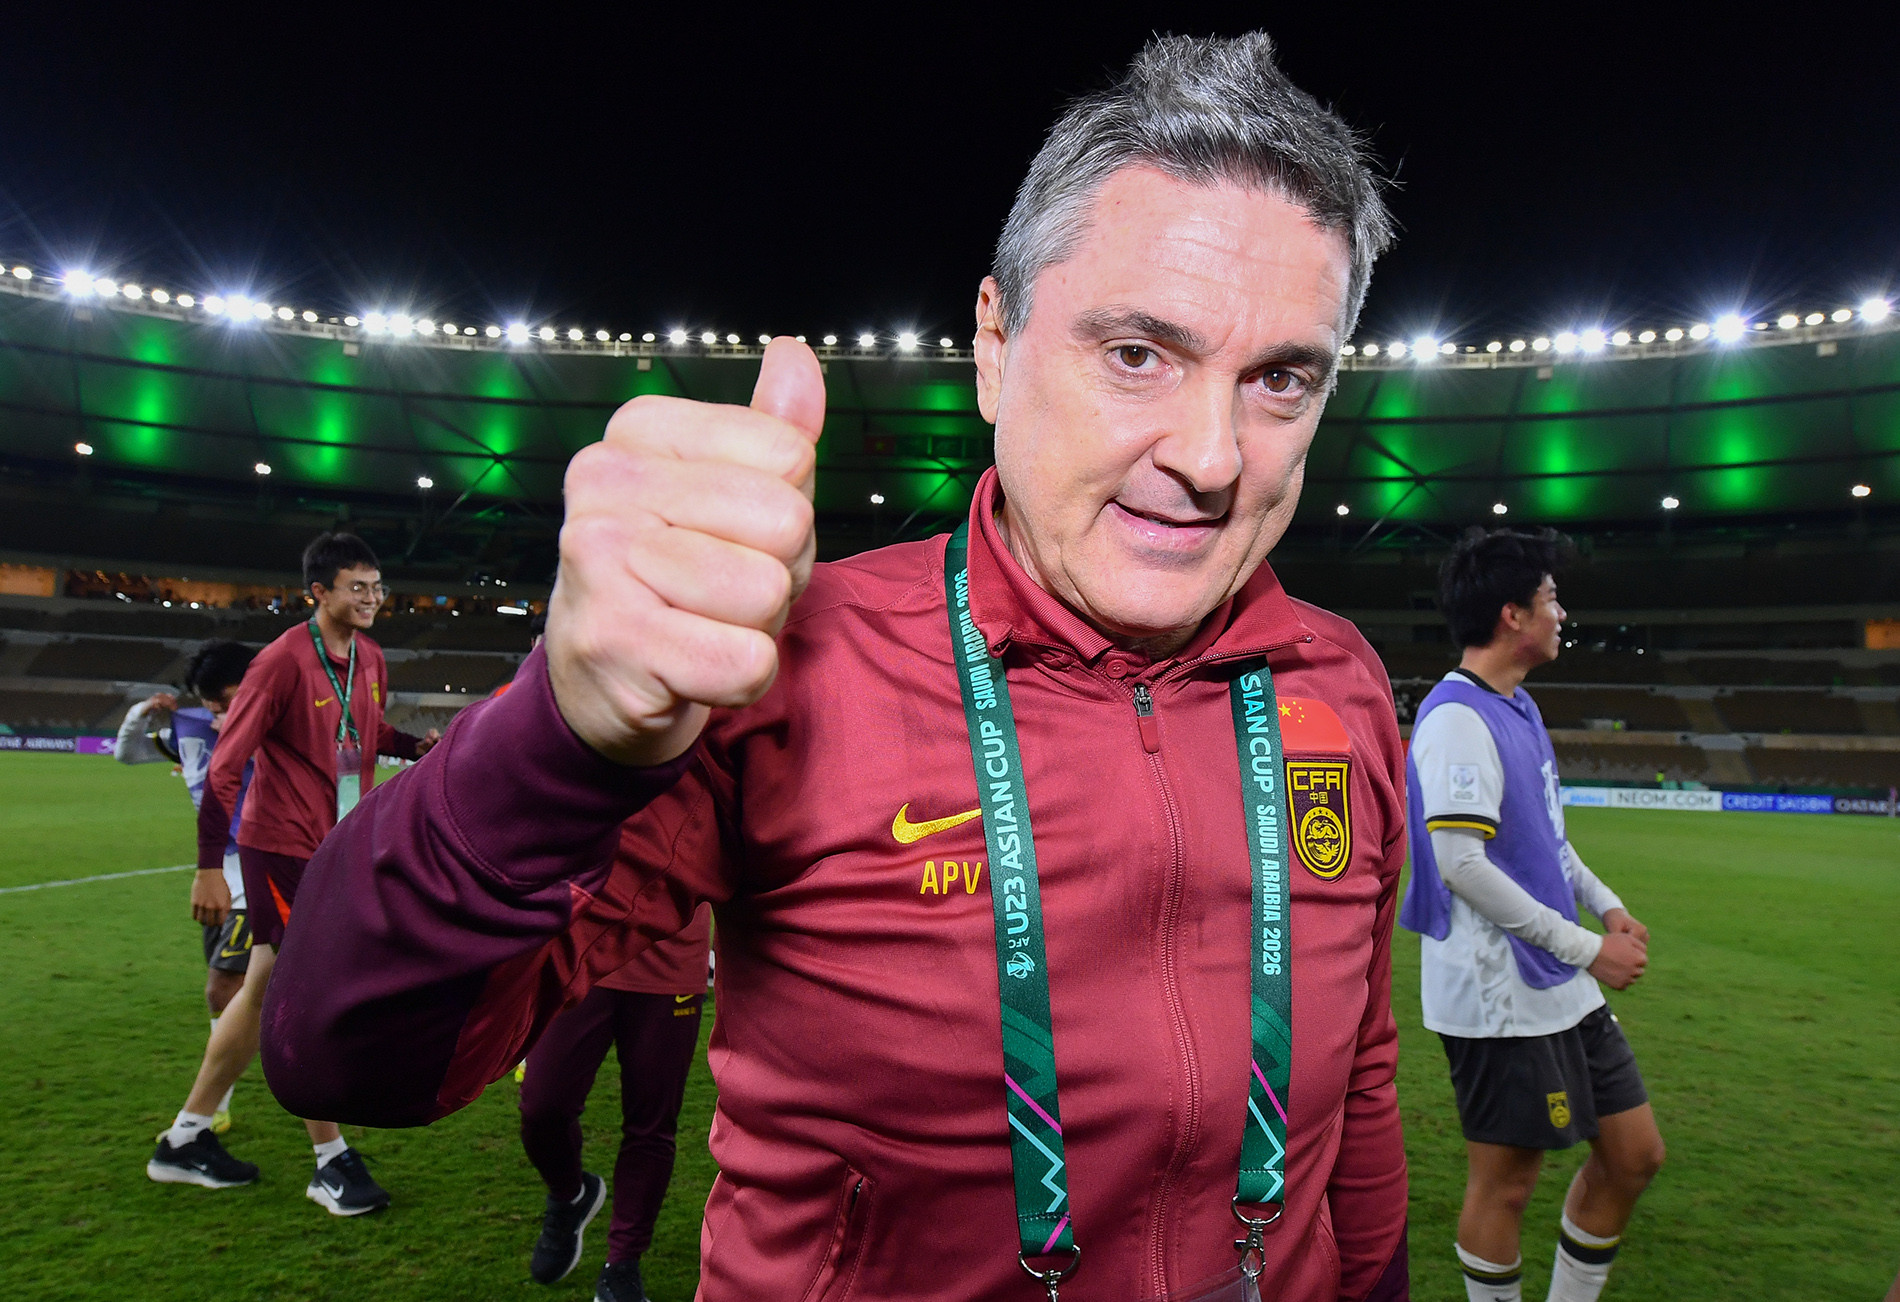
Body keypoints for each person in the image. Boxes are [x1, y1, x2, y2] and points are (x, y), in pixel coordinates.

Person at [268, 34, 1411, 1300]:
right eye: (1138, 354)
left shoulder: (1340, 687)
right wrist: (560, 739)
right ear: (995, 342)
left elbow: (1355, 1089)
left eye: (1279, 379)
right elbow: (350, 1058)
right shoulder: (786, 666)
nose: (1211, 455)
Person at [1400, 527, 1666, 1302]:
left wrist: (1608, 906)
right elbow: (1462, 864)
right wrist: (1588, 948)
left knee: (1634, 1154)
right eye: (1551, 599)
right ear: (1512, 615)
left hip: (1558, 980)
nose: (1562, 614)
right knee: (1507, 1184)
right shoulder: (1456, 718)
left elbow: (1547, 839)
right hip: (1498, 996)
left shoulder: (1517, 705)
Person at [145, 531, 438, 1215]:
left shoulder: (369, 656)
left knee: (263, 991)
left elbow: (363, 734)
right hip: (278, 848)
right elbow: (226, 768)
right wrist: (207, 869)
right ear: (319, 592)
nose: (370, 598)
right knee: (301, 993)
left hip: (336, 846)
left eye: (377, 587)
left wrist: (411, 747)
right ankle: (329, 1159)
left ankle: (186, 1137)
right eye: (356, 587)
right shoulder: (279, 663)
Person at [520, 900, 711, 1301]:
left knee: (651, 1124)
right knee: (543, 1106)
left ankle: (622, 1264)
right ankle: (569, 1195)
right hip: (581, 953)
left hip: (671, 966)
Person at [116, 640, 259, 1133]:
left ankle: (211, 1107)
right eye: (210, 699)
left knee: (224, 989)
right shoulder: (194, 728)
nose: (217, 707)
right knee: (231, 995)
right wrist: (141, 714)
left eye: (226, 697)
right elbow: (128, 754)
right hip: (217, 879)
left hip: (259, 878)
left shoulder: (274, 727)